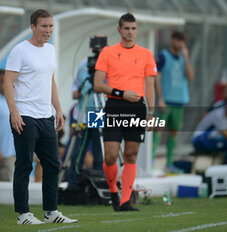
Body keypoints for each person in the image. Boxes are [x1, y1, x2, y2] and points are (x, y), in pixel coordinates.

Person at [4, 9, 77, 224]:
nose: (48, 30)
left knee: (53, 165)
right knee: (25, 165)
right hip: (25, 116)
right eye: (44, 26)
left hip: (46, 117)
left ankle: (51, 212)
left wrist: (58, 109)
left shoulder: (50, 50)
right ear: (33, 27)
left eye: (51, 26)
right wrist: (14, 113)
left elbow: (50, 80)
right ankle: (23, 215)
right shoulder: (20, 50)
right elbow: (8, 82)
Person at [94, 13, 157, 211]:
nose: (130, 32)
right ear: (119, 30)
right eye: (127, 28)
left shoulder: (146, 54)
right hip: (114, 106)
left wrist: (151, 113)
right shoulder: (107, 52)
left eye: (133, 28)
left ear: (136, 30)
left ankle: (125, 201)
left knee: (131, 156)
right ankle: (114, 191)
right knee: (111, 157)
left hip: (137, 108)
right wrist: (121, 93)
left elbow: (150, 86)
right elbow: (97, 84)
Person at [152, 31, 194, 172]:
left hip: (179, 101)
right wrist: (160, 99)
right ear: (171, 40)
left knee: (174, 132)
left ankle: (169, 163)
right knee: (158, 130)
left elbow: (190, 76)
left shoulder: (183, 58)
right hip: (166, 101)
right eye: (177, 40)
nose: (179, 43)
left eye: (182, 40)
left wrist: (186, 58)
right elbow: (157, 77)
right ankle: (151, 160)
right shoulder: (163, 56)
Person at [66, 38, 105, 188]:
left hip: (98, 112)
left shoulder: (109, 65)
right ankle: (72, 184)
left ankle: (99, 185)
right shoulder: (84, 64)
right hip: (82, 113)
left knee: (99, 152)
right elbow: (76, 85)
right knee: (77, 151)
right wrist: (76, 91)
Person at [191, 98, 227, 164]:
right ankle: (226, 168)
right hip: (199, 140)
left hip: (211, 140)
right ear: (226, 106)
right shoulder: (219, 115)